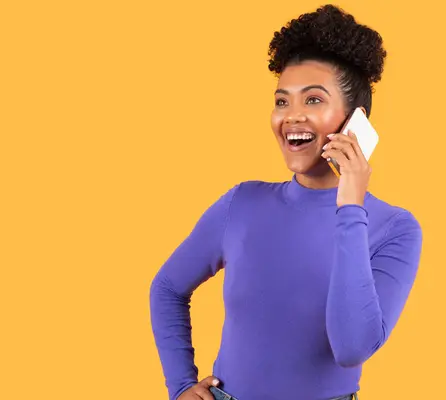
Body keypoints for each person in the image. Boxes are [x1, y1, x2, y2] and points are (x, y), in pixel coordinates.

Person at [150, 4, 423, 400]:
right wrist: (180, 385)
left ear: (355, 121)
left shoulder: (395, 227)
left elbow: (351, 347)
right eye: (282, 101)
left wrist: (350, 205)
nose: (292, 116)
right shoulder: (241, 203)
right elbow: (167, 287)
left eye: (313, 100)